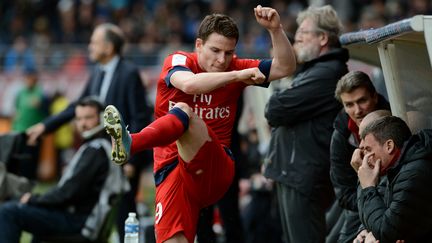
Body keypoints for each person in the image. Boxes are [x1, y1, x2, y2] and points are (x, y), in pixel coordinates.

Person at [103, 5, 296, 243]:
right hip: (171, 171)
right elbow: (190, 85)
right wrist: (236, 76)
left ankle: (130, 142)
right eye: (215, 50)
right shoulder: (178, 60)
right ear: (198, 45)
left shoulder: (236, 66)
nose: (222, 60)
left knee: (184, 111)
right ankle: (129, 143)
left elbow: (285, 67)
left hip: (216, 167)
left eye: (228, 53)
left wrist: (275, 30)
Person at [25, 23, 152, 241]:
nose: (90, 47)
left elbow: (139, 117)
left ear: (109, 47)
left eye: (94, 42)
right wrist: (46, 126)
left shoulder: (129, 73)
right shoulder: (96, 73)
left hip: (122, 157)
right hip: (99, 157)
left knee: (125, 212)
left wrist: (132, 158)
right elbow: (77, 106)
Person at [262, 5, 348, 243]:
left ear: (323, 38)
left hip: (304, 177)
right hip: (294, 174)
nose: (297, 38)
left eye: (304, 33)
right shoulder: (313, 70)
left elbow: (275, 109)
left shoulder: (327, 72)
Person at [0, 97, 117, 242]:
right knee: (35, 220)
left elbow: (66, 194)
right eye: (79, 119)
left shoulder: (95, 151)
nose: (83, 124)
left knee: (8, 212)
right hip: (79, 218)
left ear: (102, 118)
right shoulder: (99, 147)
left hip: (79, 223)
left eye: (88, 118)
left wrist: (33, 199)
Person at [330, 70, 390, 243]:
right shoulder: (341, 135)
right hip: (360, 205)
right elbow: (343, 192)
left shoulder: (395, 119)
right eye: (349, 104)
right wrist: (366, 191)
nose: (357, 111)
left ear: (374, 97)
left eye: (362, 101)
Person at [352, 116, 432, 242]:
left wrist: (367, 187)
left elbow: (385, 231)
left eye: (368, 150)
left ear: (389, 146)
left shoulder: (412, 174)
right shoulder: (397, 167)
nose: (366, 158)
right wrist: (367, 231)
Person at [10, 67, 49, 180]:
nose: (28, 80)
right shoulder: (20, 93)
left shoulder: (42, 93)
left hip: (35, 132)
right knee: (18, 159)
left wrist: (41, 106)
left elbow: (48, 112)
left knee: (31, 159)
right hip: (20, 131)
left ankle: (30, 181)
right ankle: (18, 181)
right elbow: (17, 111)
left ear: (35, 78)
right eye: (26, 77)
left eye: (30, 77)